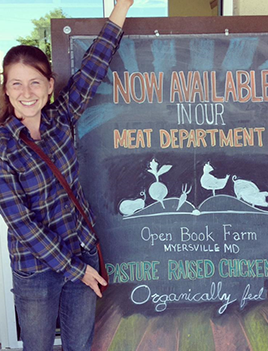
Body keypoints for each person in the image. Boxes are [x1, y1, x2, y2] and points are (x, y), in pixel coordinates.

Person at [0, 0, 133, 350]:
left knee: (79, 345)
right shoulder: (3, 146)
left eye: (34, 82)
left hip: (81, 252)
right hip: (36, 269)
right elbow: (22, 224)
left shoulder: (62, 120)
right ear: (6, 89)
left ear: (48, 85)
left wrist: (122, 7)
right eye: (16, 84)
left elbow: (94, 65)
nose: (26, 93)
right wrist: (74, 268)